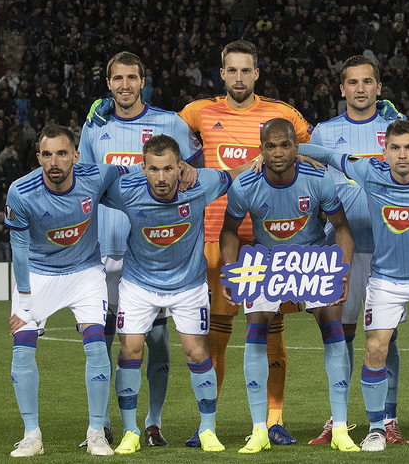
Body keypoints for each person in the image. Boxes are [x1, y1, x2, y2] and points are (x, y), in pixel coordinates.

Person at [298, 120, 409, 452]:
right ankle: (376, 429)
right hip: (385, 280)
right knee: (375, 349)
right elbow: (329, 155)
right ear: (385, 152)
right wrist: (290, 149)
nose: (402, 154)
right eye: (395, 148)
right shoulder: (369, 171)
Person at [179, 40, 312, 445]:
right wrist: (109, 109)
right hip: (218, 236)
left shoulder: (282, 114)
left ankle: (274, 421)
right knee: (216, 335)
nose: (239, 78)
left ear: (257, 73)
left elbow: (315, 148)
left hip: (271, 240)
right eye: (232, 70)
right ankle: (207, 424)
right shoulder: (199, 112)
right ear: (222, 74)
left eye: (246, 70)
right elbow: (159, 133)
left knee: (272, 331)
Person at [78, 51, 203, 448]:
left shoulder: (171, 124)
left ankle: (153, 423)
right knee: (103, 343)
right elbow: (84, 184)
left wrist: (192, 169)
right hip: (102, 252)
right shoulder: (95, 127)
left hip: (153, 256)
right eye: (118, 78)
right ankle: (101, 425)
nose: (125, 85)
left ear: (143, 81)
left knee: (157, 343)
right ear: (108, 83)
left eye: (132, 77)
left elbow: (195, 171)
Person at [220, 118, 359, 453]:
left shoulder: (318, 179)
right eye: (270, 146)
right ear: (261, 149)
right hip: (266, 259)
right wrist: (229, 269)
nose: (278, 153)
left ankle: (340, 428)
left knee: (334, 329)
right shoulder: (245, 185)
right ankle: (259, 430)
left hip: (313, 258)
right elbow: (229, 231)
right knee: (255, 331)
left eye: (285, 145)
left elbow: (342, 228)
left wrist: (342, 271)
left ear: (297, 148)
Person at [99, 135, 235, 454]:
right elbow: (89, 186)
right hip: (138, 285)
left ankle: (208, 429)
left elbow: (235, 173)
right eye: (154, 169)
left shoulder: (201, 184)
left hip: (188, 285)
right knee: (130, 350)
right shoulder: (126, 190)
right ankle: (130, 431)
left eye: (168, 169)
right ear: (143, 168)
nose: (161, 178)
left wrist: (262, 161)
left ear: (180, 167)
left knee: (196, 352)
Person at [4, 125, 130, 457]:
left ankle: (97, 433)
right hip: (38, 274)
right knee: (22, 349)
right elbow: (18, 250)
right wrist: (25, 301)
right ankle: (32, 436)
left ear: (75, 156)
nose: (54, 161)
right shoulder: (21, 191)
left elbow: (128, 171)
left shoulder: (96, 176)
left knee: (96, 346)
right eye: (47, 154)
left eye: (62, 153)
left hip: (85, 272)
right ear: (38, 157)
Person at [307, 56, 409, 445]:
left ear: (379, 88)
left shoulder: (396, 129)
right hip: (341, 251)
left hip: (388, 249)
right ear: (342, 89)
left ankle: (389, 419)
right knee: (341, 333)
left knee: (387, 336)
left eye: (368, 82)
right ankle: (339, 419)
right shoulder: (325, 132)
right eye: (353, 82)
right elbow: (310, 182)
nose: (360, 89)